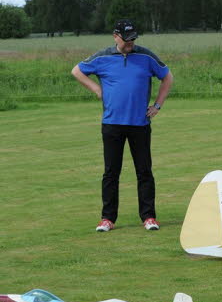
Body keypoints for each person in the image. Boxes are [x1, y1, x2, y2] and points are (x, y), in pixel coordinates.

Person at [71, 19, 173, 232]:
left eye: (133, 39)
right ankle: (107, 218)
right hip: (112, 123)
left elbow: (167, 77)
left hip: (140, 123)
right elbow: (77, 71)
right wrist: (96, 89)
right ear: (115, 36)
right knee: (111, 172)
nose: (130, 43)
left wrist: (157, 105)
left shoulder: (146, 56)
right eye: (127, 40)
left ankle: (149, 217)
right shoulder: (102, 56)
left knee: (144, 171)